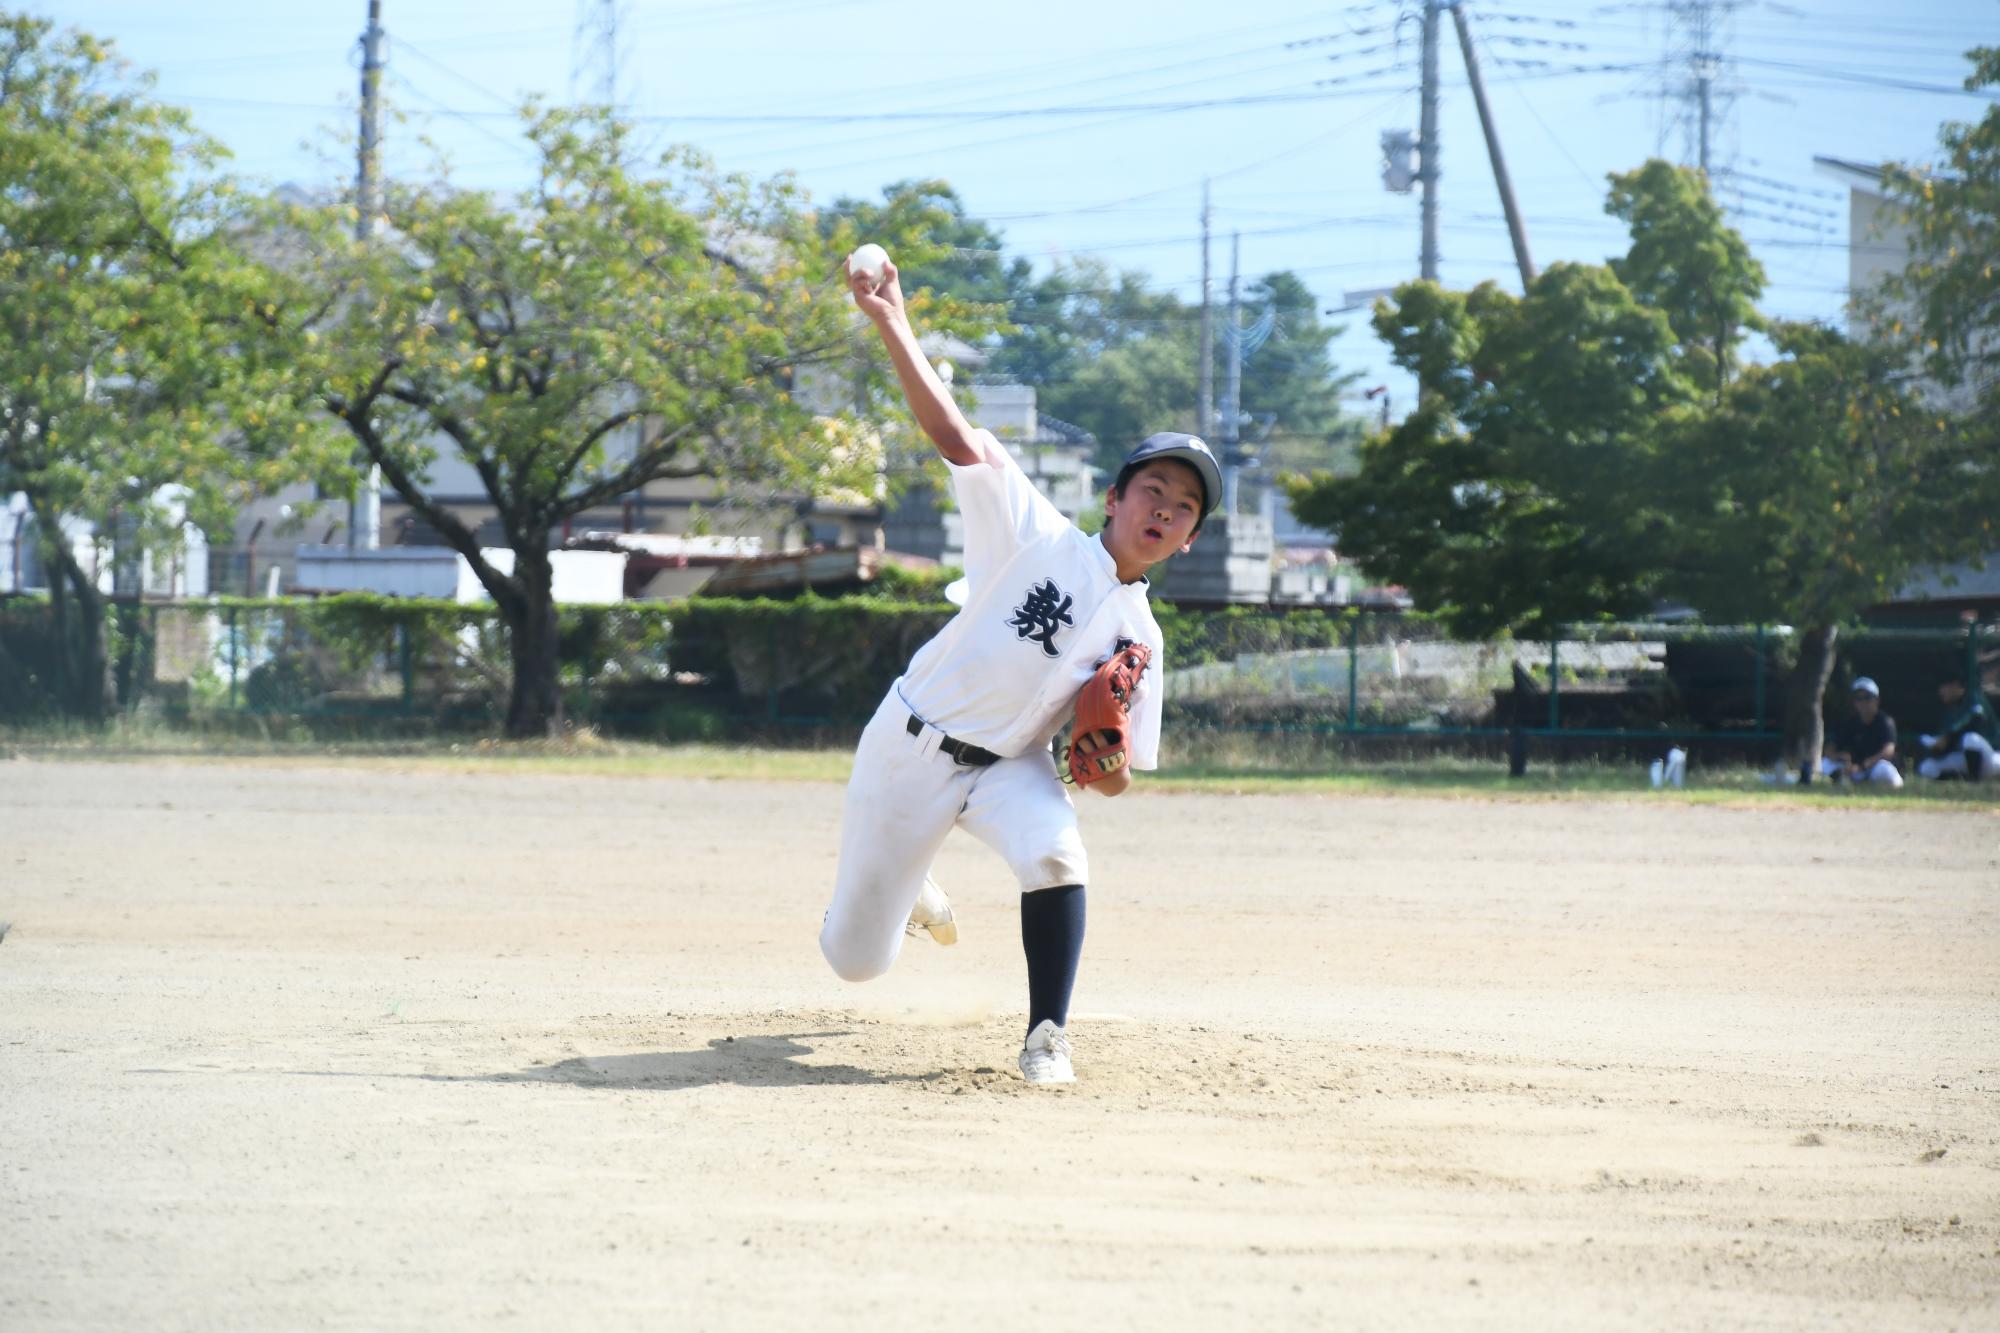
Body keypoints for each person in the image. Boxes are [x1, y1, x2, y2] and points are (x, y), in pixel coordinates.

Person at [817, 251, 1220, 1086]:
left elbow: (1114, 781)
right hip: (909, 746)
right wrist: (893, 320)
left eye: (1184, 508)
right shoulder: (1035, 534)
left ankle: (1046, 1035)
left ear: (1189, 539)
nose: (1165, 509)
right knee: (856, 961)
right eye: (1153, 489)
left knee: (1058, 855)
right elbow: (953, 435)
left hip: (1010, 767)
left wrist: (1101, 759)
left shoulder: (1141, 637)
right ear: (1114, 497)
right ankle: (912, 879)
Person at [1820, 676, 1902, 788]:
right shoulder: (1850, 722)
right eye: (1858, 698)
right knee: (1825, 763)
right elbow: (1830, 748)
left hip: (1874, 768)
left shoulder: (1885, 722)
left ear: (1877, 700)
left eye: (1867, 698)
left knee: (1885, 770)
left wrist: (1863, 766)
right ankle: (1841, 781)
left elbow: (1888, 751)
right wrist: (1839, 756)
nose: (1863, 702)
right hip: (1854, 770)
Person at [1914, 675, 1996, 782]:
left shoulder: (1974, 698)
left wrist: (1949, 738)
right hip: (1964, 760)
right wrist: (1937, 748)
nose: (1940, 691)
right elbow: (1946, 744)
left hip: (1991, 757)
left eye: (1943, 687)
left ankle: (1974, 783)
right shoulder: (1950, 712)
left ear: (1955, 685)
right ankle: (1961, 781)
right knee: (1927, 767)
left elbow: (1974, 722)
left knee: (1970, 738)